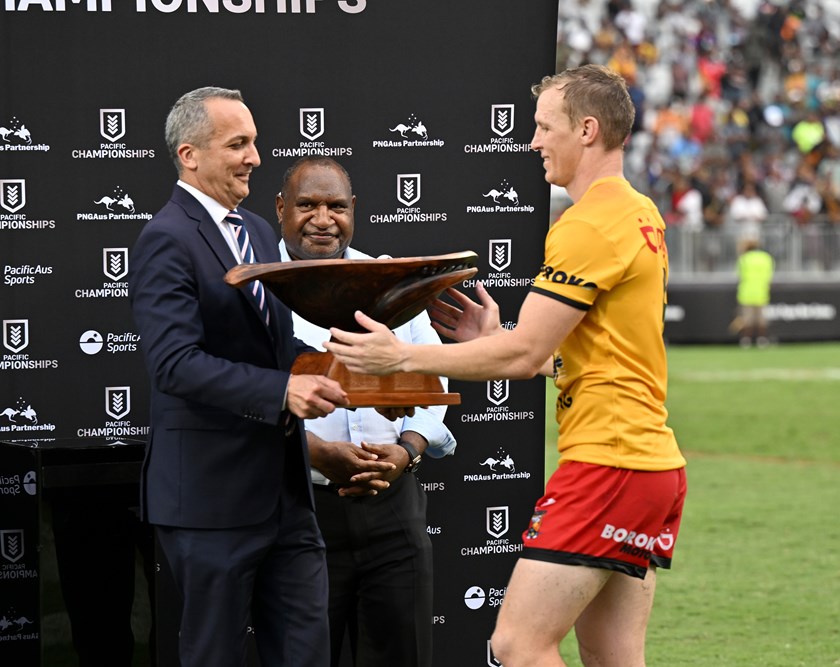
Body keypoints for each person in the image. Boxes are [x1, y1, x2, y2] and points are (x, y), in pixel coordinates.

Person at [323, 64, 687, 667]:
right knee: (613, 658)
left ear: (588, 130)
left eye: (545, 127)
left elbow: (522, 357)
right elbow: (584, 356)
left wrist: (400, 355)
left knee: (516, 648)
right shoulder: (639, 211)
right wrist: (501, 339)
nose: (533, 141)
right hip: (648, 467)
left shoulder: (589, 222)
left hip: (610, 464)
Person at [128, 86, 349, 667]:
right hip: (210, 502)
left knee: (307, 654)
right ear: (189, 154)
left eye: (254, 142)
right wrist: (283, 391)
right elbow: (174, 363)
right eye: (238, 144)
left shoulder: (253, 229)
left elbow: (276, 344)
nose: (255, 156)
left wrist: (357, 372)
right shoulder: (165, 239)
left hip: (286, 497)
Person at [275, 155, 456, 667]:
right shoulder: (257, 287)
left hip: (394, 510)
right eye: (307, 205)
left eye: (336, 205)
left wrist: (407, 451)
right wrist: (312, 453)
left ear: (354, 210)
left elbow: (435, 377)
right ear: (281, 209)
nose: (323, 218)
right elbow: (242, 394)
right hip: (297, 511)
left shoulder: (392, 281)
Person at [735, 238, 775, 348]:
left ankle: (746, 341)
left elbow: (740, 275)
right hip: (762, 292)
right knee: (761, 319)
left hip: (746, 293)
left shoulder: (744, 259)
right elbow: (769, 275)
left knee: (747, 319)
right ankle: (762, 340)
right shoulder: (766, 258)